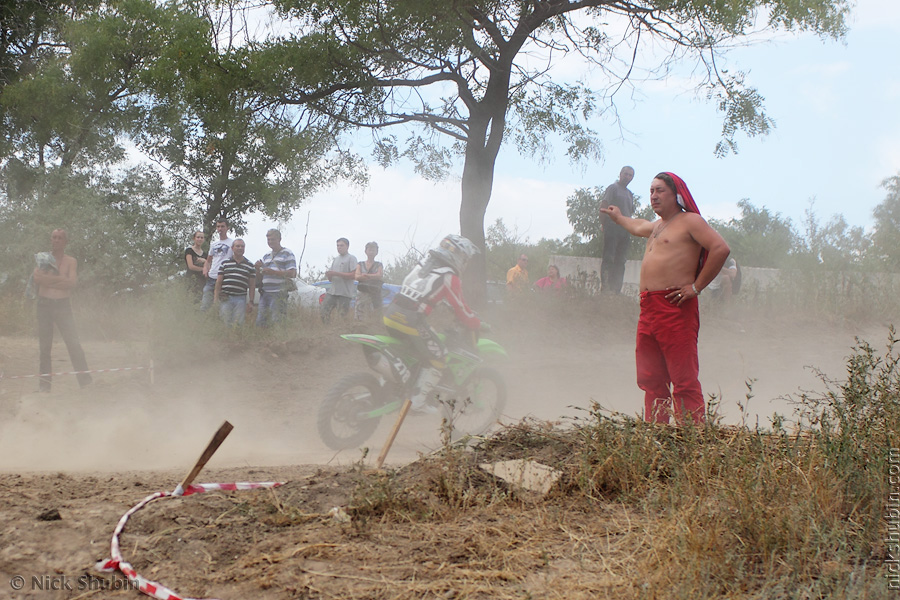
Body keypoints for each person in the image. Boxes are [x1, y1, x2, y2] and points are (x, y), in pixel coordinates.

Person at [601, 172, 730, 425]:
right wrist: (618, 218)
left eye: (660, 190)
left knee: (683, 378)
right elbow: (637, 225)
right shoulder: (656, 226)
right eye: (651, 191)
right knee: (651, 377)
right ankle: (656, 434)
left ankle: (691, 440)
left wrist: (696, 287)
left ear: (676, 194)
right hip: (648, 308)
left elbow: (720, 248)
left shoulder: (690, 221)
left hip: (675, 307)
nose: (654, 196)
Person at [383, 234, 482, 414]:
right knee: (440, 355)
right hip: (411, 321)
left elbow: (416, 290)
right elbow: (461, 309)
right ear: (460, 257)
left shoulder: (423, 266)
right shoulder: (449, 277)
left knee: (417, 352)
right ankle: (418, 402)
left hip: (390, 315)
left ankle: (396, 389)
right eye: (465, 259)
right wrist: (476, 322)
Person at [31, 228, 92, 391]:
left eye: (59, 238)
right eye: (54, 237)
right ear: (51, 240)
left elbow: (71, 283)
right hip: (44, 305)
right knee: (45, 347)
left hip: (63, 305)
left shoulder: (71, 261)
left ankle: (85, 382)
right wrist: (60, 280)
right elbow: (37, 279)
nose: (56, 240)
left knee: (73, 343)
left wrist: (49, 280)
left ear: (65, 242)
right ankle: (45, 386)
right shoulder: (44, 258)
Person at [599, 165, 635, 295]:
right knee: (609, 257)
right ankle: (606, 288)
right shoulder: (613, 188)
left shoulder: (630, 193)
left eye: (630, 175)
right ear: (620, 174)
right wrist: (603, 223)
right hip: (612, 226)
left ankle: (616, 290)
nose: (627, 177)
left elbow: (629, 212)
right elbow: (604, 205)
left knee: (621, 260)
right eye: (625, 174)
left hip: (625, 229)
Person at [254, 229, 297, 327]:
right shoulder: (266, 256)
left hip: (279, 292)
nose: (270, 242)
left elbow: (293, 273)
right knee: (261, 321)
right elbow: (260, 278)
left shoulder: (287, 253)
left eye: (273, 239)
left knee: (277, 320)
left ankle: (279, 339)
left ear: (279, 239)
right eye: (268, 240)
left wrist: (274, 272)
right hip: (265, 292)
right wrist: (257, 269)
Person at [213, 238, 256, 326]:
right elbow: (219, 282)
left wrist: (251, 301)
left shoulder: (250, 265)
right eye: (237, 246)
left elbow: (252, 285)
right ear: (232, 248)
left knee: (238, 323)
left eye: (242, 246)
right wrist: (216, 298)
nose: (240, 248)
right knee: (225, 322)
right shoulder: (224, 263)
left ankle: (236, 339)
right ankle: (225, 339)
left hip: (240, 298)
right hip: (226, 297)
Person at [321, 237, 357, 322]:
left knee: (342, 316)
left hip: (344, 293)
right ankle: (327, 329)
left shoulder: (351, 258)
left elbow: (353, 275)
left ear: (347, 246)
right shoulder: (336, 259)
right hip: (333, 292)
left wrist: (336, 274)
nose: (339, 247)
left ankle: (341, 331)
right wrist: (329, 275)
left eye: (341, 245)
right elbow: (331, 279)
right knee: (324, 310)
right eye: (337, 246)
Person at [201, 218, 233, 311]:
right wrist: (205, 268)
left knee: (222, 306)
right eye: (218, 227)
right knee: (205, 305)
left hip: (225, 278)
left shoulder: (232, 243)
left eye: (222, 226)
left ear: (227, 228)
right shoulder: (214, 244)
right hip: (212, 277)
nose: (220, 229)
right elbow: (208, 260)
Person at [354, 241, 384, 321]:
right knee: (360, 313)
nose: (371, 252)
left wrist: (366, 275)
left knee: (376, 312)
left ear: (376, 252)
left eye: (373, 250)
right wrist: (372, 276)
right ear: (366, 251)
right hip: (362, 292)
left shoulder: (379, 264)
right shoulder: (360, 264)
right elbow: (357, 276)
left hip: (375, 292)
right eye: (369, 250)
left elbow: (379, 275)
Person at [184, 230, 207, 301]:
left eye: (201, 238)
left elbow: (209, 266)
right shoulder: (189, 251)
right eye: (198, 237)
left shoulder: (205, 254)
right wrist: (203, 269)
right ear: (194, 238)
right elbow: (190, 266)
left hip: (202, 281)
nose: (200, 239)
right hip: (191, 280)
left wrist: (205, 261)